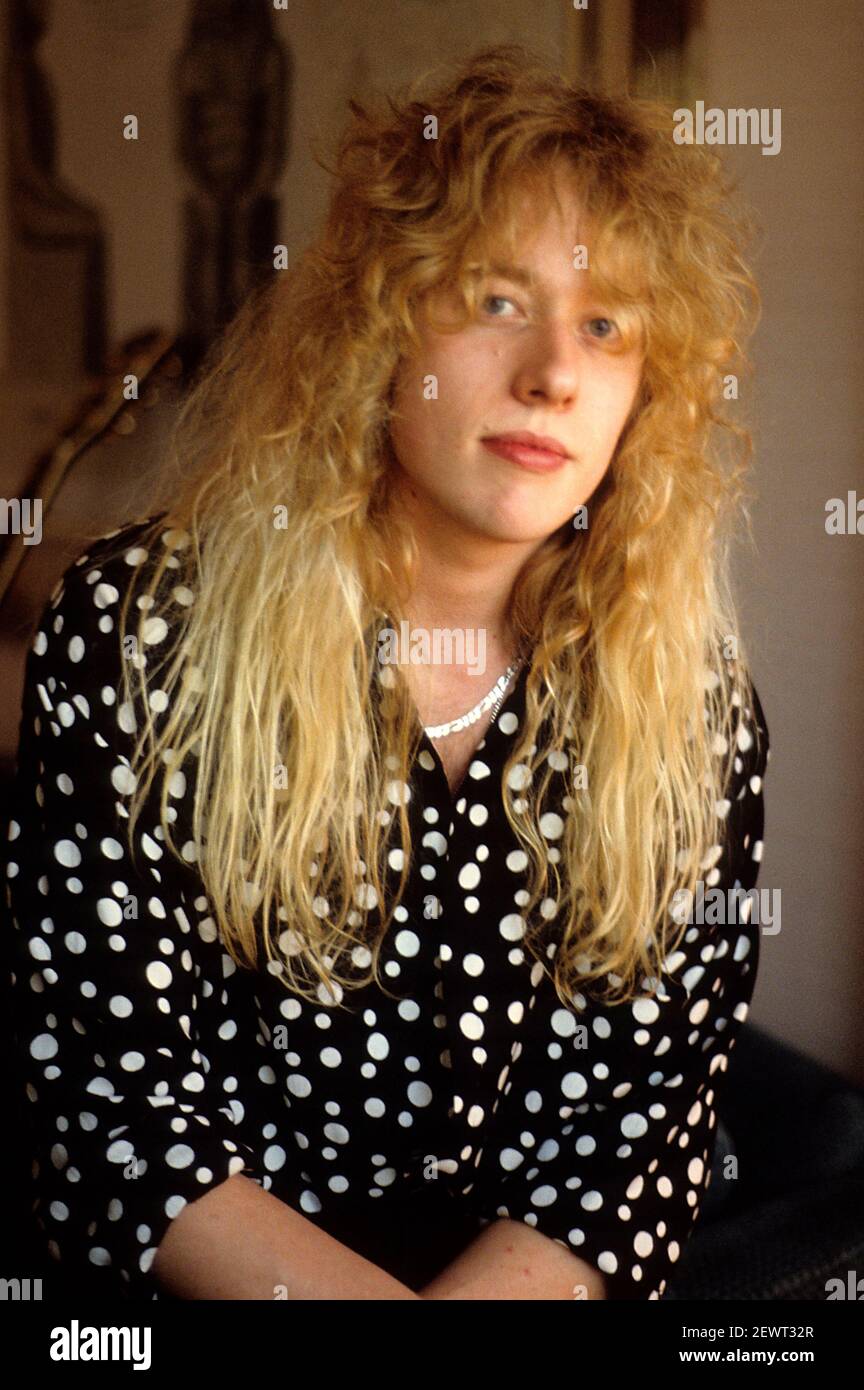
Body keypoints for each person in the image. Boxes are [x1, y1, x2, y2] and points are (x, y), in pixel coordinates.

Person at [3, 43, 769, 1302]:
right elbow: (118, 1126)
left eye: (606, 325)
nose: (554, 376)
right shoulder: (138, 634)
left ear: (646, 393)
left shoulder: (692, 710)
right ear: (377, 322)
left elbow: (623, 1163)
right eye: (497, 299)